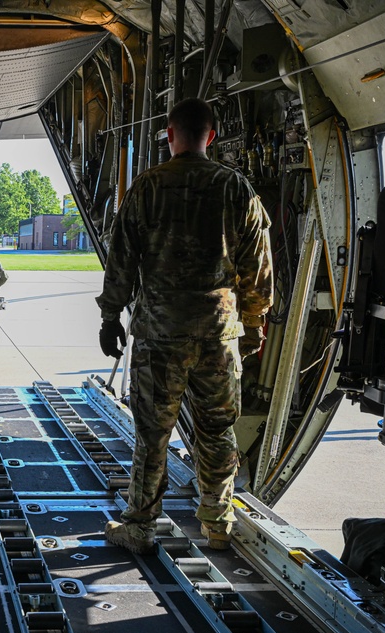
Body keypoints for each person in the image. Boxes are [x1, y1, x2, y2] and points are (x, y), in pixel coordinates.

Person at [96, 97, 274, 554]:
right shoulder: (237, 189)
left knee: (153, 433)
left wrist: (110, 316)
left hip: (160, 334)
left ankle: (139, 526)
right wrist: (252, 323)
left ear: (169, 135)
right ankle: (218, 524)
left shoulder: (146, 188)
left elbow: (121, 261)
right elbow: (258, 268)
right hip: (217, 334)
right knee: (217, 431)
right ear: (211, 136)